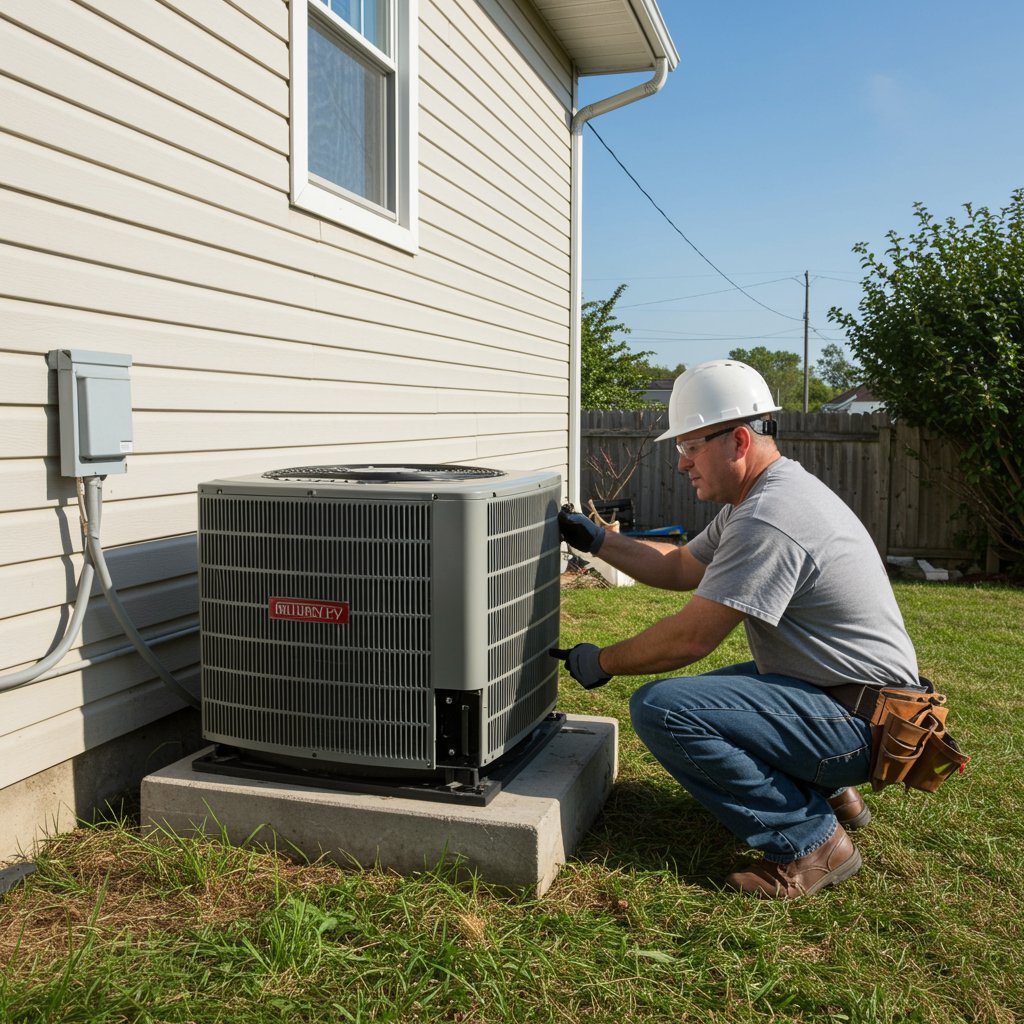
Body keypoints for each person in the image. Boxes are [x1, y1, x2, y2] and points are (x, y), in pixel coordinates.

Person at [554, 359, 924, 899]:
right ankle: (829, 791)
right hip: (857, 702)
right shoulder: (761, 498)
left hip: (864, 721)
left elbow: (691, 638)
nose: (681, 463)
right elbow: (679, 567)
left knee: (664, 708)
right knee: (721, 694)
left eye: (690, 447)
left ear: (739, 440)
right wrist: (597, 540)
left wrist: (602, 661)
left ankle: (813, 842)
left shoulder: (770, 517)